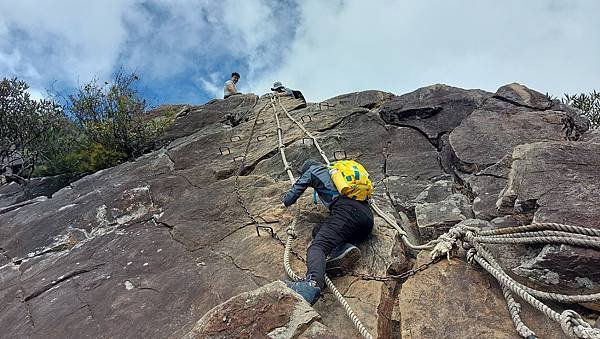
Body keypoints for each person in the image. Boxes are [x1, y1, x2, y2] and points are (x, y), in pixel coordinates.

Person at [282, 159, 374, 305]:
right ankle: (344, 249)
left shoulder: (312, 171)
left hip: (346, 212)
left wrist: (284, 200)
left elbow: (290, 198)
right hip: (366, 219)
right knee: (318, 230)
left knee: (318, 246)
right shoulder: (335, 171)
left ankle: (311, 285)